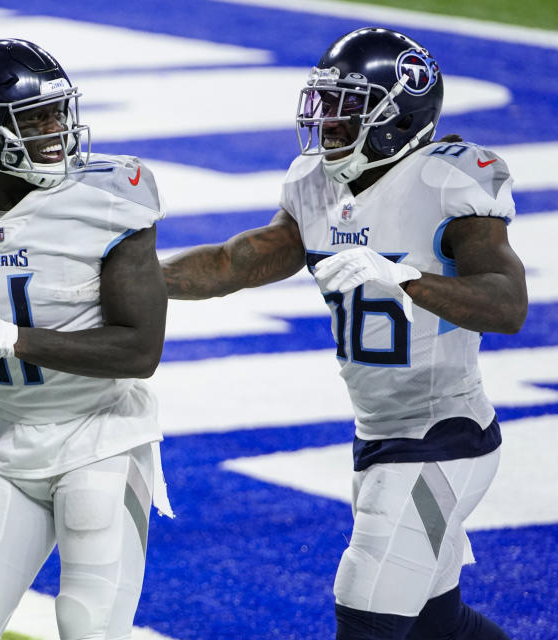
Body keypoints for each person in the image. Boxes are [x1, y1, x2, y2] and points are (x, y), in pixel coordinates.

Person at [161, 27, 524, 640]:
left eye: (345, 106)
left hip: (443, 435)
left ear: (396, 113)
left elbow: (508, 304)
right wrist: (123, 282)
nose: (326, 120)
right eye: (324, 104)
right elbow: (235, 262)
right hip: (379, 438)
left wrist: (406, 279)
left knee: (368, 616)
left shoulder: (448, 181)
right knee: (438, 626)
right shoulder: (315, 184)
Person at [0, 38, 173, 640]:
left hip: (102, 436)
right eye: (33, 117)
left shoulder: (109, 196)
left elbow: (139, 350)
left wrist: (11, 338)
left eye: (58, 112)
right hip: (3, 437)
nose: (56, 131)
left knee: (87, 625)